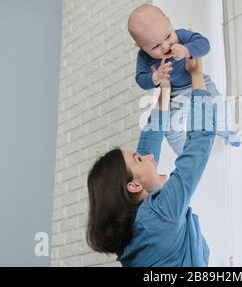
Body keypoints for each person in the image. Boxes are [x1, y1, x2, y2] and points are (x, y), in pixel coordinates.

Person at [86, 58, 216, 266]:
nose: (148, 157)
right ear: (133, 185)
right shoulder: (161, 214)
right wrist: (197, 75)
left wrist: (165, 90)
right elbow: (200, 140)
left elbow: (149, 142)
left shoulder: (135, 225)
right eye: (138, 159)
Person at [127, 3, 239, 155]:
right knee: (171, 128)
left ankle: (227, 132)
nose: (166, 46)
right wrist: (156, 76)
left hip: (201, 83)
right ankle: (186, 154)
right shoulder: (143, 57)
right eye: (156, 46)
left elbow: (204, 44)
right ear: (140, 46)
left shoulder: (180, 36)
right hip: (175, 94)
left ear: (169, 21)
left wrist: (186, 50)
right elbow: (141, 80)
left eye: (168, 36)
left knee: (219, 107)